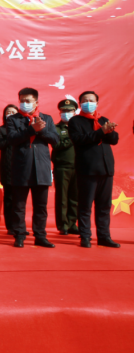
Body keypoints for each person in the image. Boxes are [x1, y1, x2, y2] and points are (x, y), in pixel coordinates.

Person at [6, 88, 58, 248]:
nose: (24, 103)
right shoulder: (13, 119)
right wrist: (31, 129)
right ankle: (19, 235)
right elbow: (12, 139)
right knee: (19, 206)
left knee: (41, 206)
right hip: (21, 168)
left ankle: (40, 236)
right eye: (22, 100)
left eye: (28, 101)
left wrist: (41, 131)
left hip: (41, 168)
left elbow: (55, 139)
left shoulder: (46, 118)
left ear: (36, 102)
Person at [68, 91, 120, 248]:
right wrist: (101, 132)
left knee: (104, 206)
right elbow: (79, 140)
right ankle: (85, 236)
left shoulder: (103, 120)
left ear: (97, 103)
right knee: (85, 205)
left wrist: (110, 132)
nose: (88, 103)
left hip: (106, 168)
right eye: (85, 100)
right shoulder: (75, 121)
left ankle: (104, 236)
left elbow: (114, 140)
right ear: (80, 103)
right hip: (87, 169)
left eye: (91, 100)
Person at [52, 99, 79, 236]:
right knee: (62, 197)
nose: (66, 113)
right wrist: (73, 137)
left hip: (79, 166)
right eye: (64, 110)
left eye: (69, 110)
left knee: (75, 197)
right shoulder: (56, 128)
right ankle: (63, 225)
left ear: (75, 112)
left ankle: (72, 223)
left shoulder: (80, 127)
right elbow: (56, 145)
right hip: (62, 166)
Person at [0, 105, 19, 235]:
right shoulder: (1, 130)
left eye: (13, 112)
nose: (10, 114)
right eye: (8, 112)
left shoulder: (22, 129)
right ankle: (10, 226)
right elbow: (1, 145)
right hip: (7, 167)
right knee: (9, 198)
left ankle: (19, 226)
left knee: (19, 199)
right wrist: (11, 132)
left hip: (21, 167)